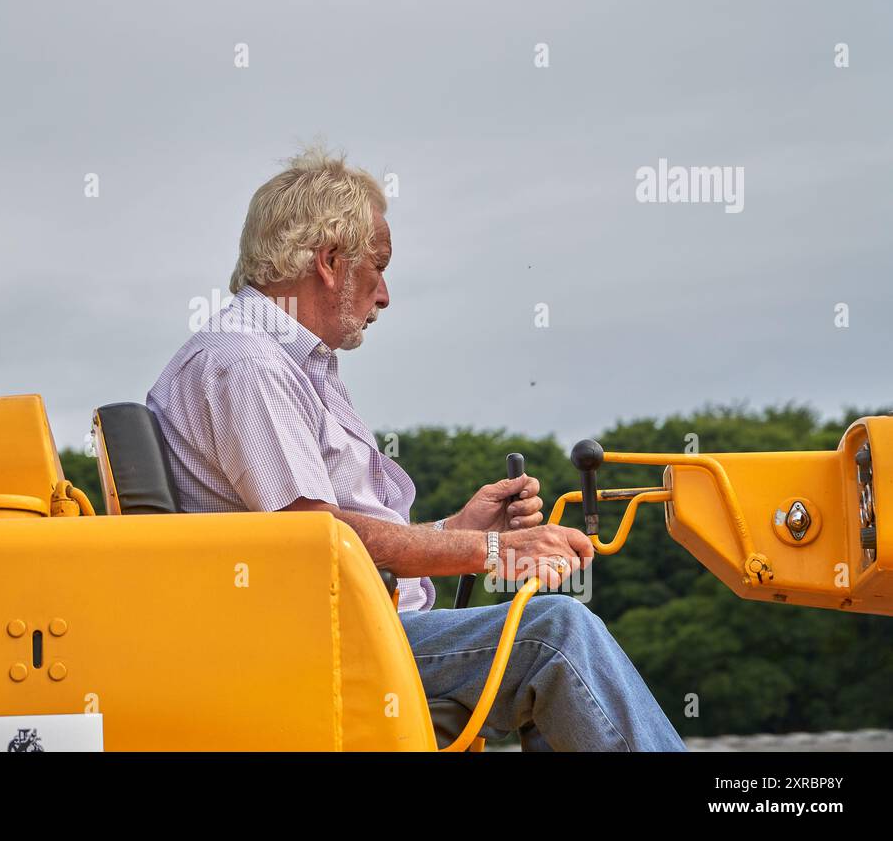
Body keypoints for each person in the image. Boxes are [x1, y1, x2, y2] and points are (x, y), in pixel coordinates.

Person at [147, 144, 685, 750]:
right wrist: (489, 549)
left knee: (539, 652)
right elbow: (311, 537)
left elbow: (332, 538)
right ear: (329, 261)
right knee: (555, 635)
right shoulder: (245, 365)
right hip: (311, 647)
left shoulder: (278, 363)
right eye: (377, 267)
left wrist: (455, 526)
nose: (384, 295)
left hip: (326, 629)